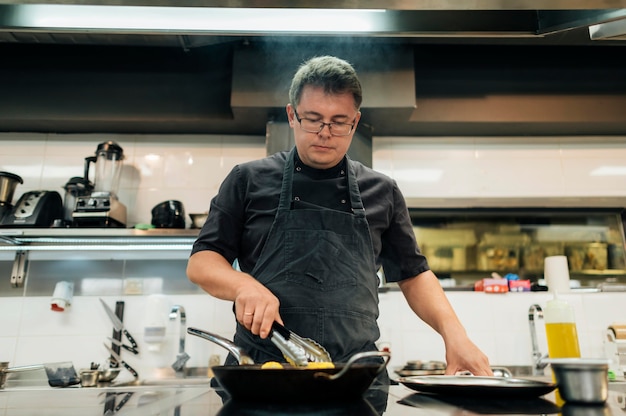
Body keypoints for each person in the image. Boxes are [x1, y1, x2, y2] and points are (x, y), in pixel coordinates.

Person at [187, 55, 493, 378]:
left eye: (338, 121)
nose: (325, 132)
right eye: (313, 119)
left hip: (356, 379)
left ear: (355, 122)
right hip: (264, 375)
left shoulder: (382, 191)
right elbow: (202, 261)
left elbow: (413, 275)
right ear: (292, 115)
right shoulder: (247, 180)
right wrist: (242, 285)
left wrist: (455, 334)